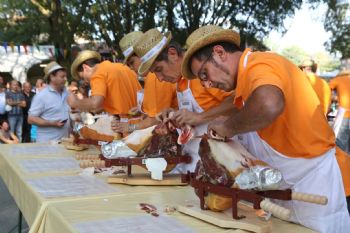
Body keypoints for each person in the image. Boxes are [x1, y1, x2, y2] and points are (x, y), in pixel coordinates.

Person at [181, 25, 350, 233]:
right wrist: (206, 117)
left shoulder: (259, 64)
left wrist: (227, 127)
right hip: (285, 190)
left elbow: (268, 104)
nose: (207, 84)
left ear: (219, 53)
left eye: (205, 74)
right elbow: (236, 102)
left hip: (314, 188)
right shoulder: (245, 81)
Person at [133, 28, 234, 173]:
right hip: (196, 163)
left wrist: (200, 117)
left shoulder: (203, 73)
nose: (160, 78)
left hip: (223, 162)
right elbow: (194, 112)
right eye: (155, 73)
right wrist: (174, 114)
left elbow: (237, 102)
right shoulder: (180, 81)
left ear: (173, 54)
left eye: (159, 69)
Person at [111, 31, 178, 133]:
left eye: (132, 62)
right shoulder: (151, 77)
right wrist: (141, 109)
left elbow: (155, 119)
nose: (131, 68)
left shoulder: (154, 77)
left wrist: (129, 127)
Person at [67, 50, 142, 116]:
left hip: (128, 125)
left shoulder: (97, 74)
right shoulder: (120, 66)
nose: (85, 81)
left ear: (85, 67)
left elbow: (95, 103)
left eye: (82, 77)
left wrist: (75, 102)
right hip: (143, 120)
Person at [28, 61, 70, 143]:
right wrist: (52, 123)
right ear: (52, 77)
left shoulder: (67, 93)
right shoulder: (41, 96)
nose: (65, 79)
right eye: (62, 77)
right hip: (47, 144)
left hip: (65, 142)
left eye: (65, 76)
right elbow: (31, 119)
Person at [329, 70, 350, 154]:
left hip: (344, 115)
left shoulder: (338, 80)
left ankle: (342, 165)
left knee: (340, 145)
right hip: (345, 114)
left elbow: (326, 90)